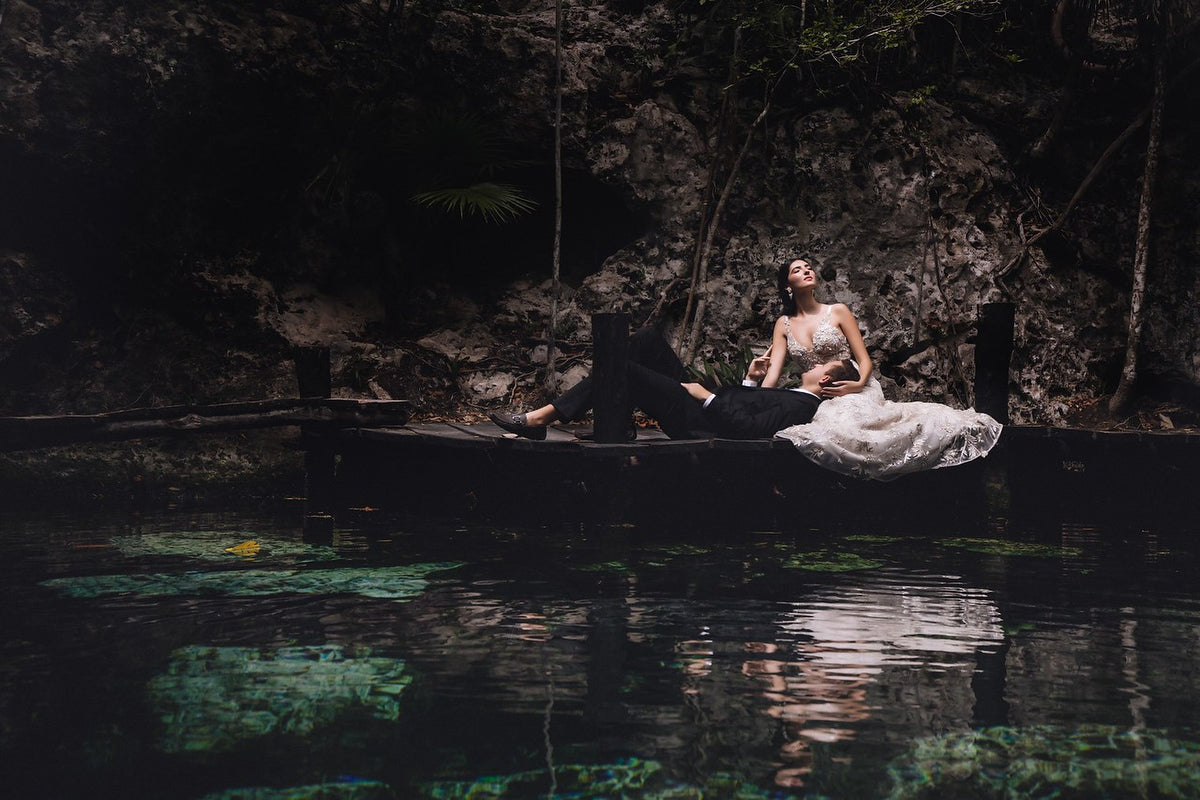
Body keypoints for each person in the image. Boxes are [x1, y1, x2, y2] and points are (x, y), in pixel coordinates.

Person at [756, 256, 1003, 480]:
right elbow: (773, 374)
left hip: (854, 387)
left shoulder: (837, 311)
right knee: (819, 427)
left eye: (808, 267)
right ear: (787, 286)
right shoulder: (783, 324)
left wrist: (857, 385)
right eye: (798, 270)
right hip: (812, 395)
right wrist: (757, 403)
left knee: (852, 425)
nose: (807, 271)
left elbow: (865, 360)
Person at [488, 326, 858, 441]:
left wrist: (708, 397)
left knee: (624, 368)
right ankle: (620, 422)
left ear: (824, 377)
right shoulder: (793, 394)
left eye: (821, 362)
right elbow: (751, 407)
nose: (811, 361)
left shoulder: (802, 406)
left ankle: (541, 419)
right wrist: (750, 380)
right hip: (700, 404)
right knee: (647, 339)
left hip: (696, 419)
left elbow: (749, 428)